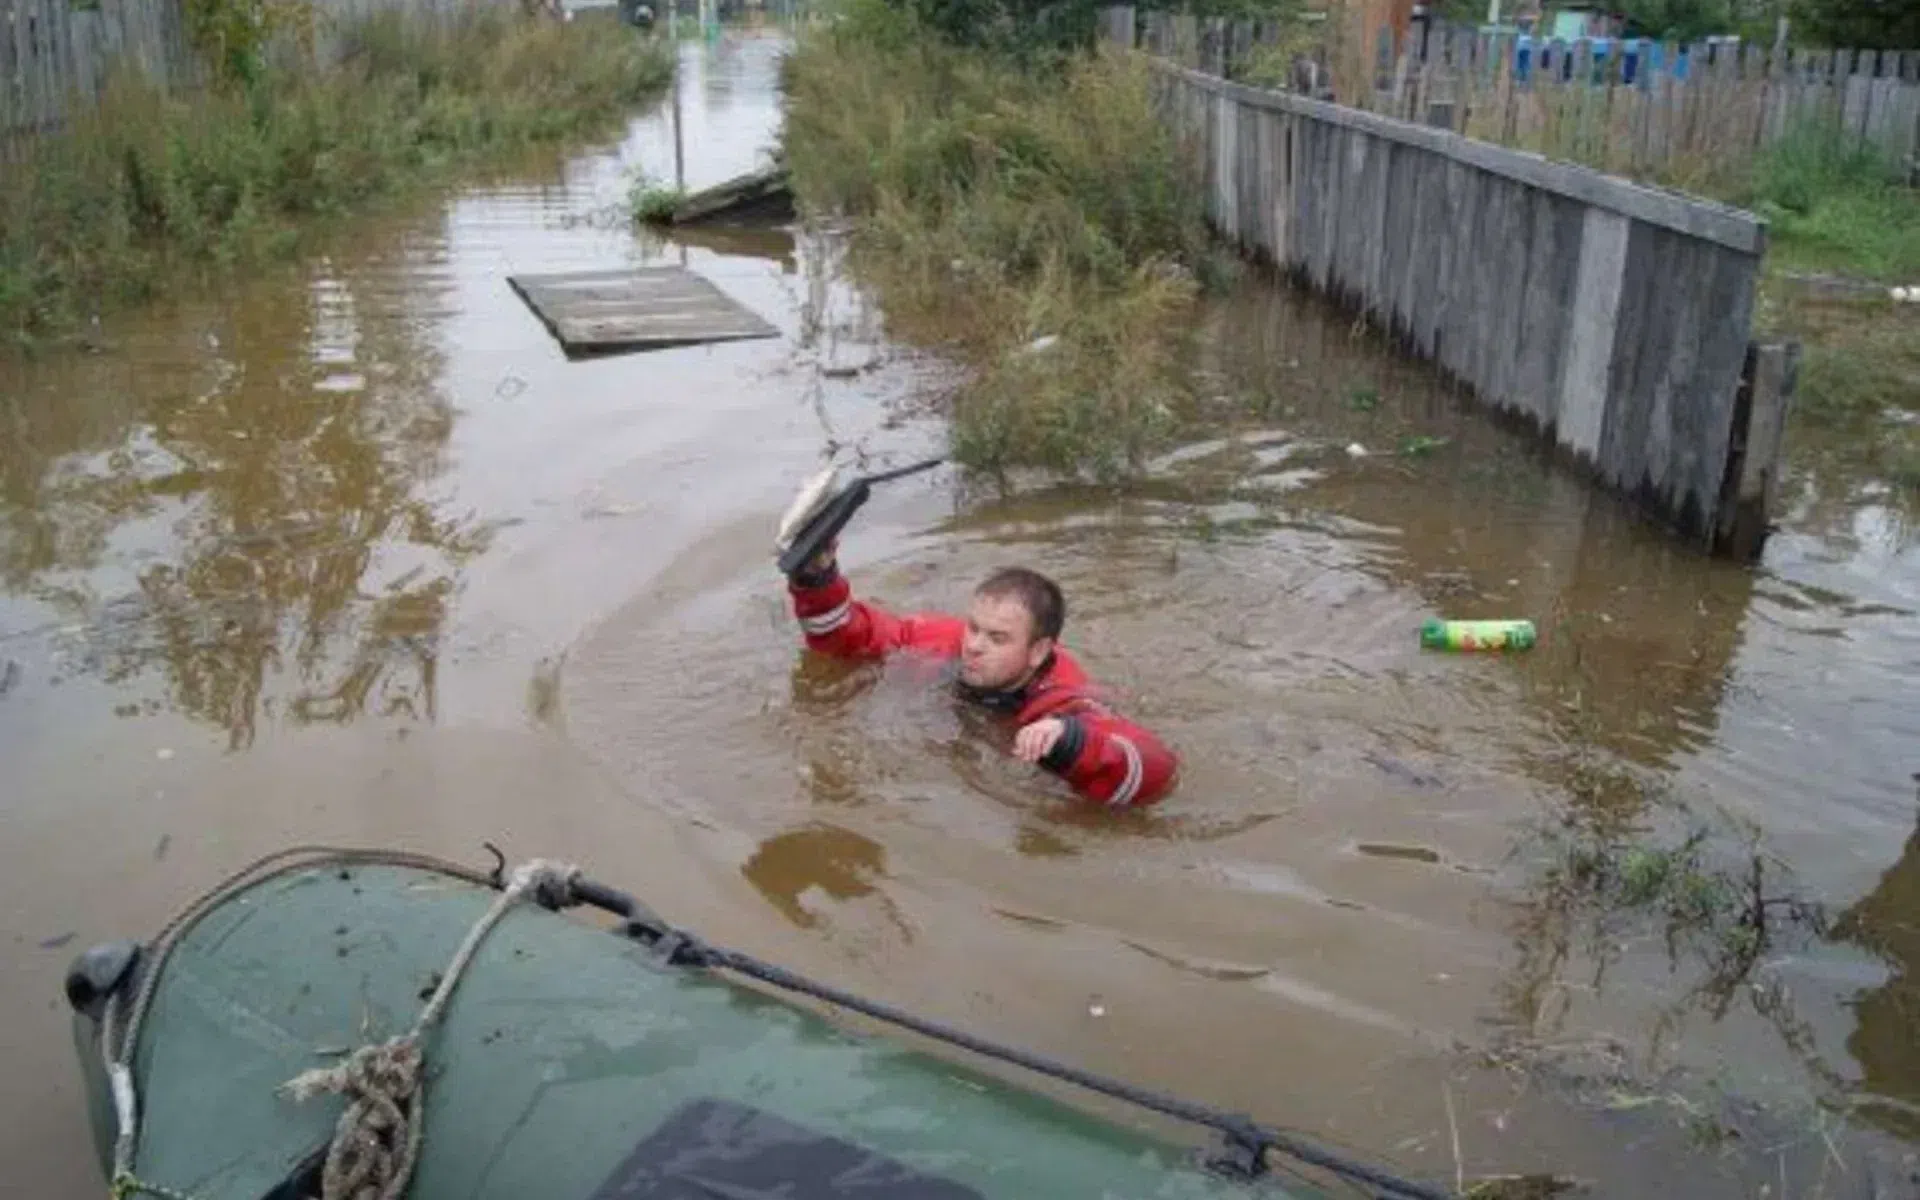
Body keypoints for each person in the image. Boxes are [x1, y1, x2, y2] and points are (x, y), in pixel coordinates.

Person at [783, 542, 1179, 808]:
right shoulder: (948, 640)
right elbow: (850, 638)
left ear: (1038, 651)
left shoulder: (1063, 699)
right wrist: (817, 577)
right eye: (973, 627)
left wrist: (1072, 743)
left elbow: (1157, 772)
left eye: (997, 638)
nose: (973, 645)